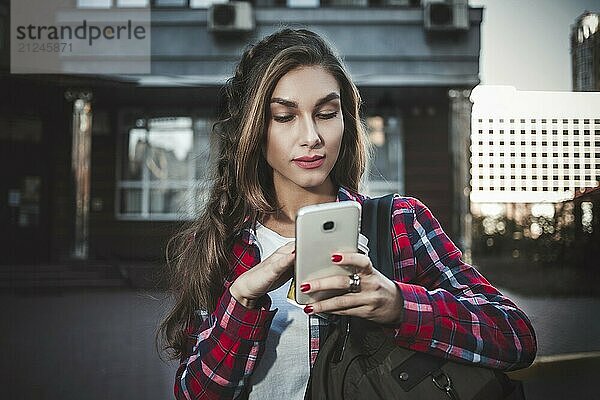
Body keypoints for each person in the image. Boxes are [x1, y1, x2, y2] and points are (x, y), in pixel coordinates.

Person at [157, 27, 537, 400]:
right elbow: (194, 393)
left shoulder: (400, 223)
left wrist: (399, 306)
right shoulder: (221, 244)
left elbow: (515, 336)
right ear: (254, 128)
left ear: (345, 120)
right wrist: (241, 301)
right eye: (285, 116)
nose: (312, 136)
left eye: (326, 113)